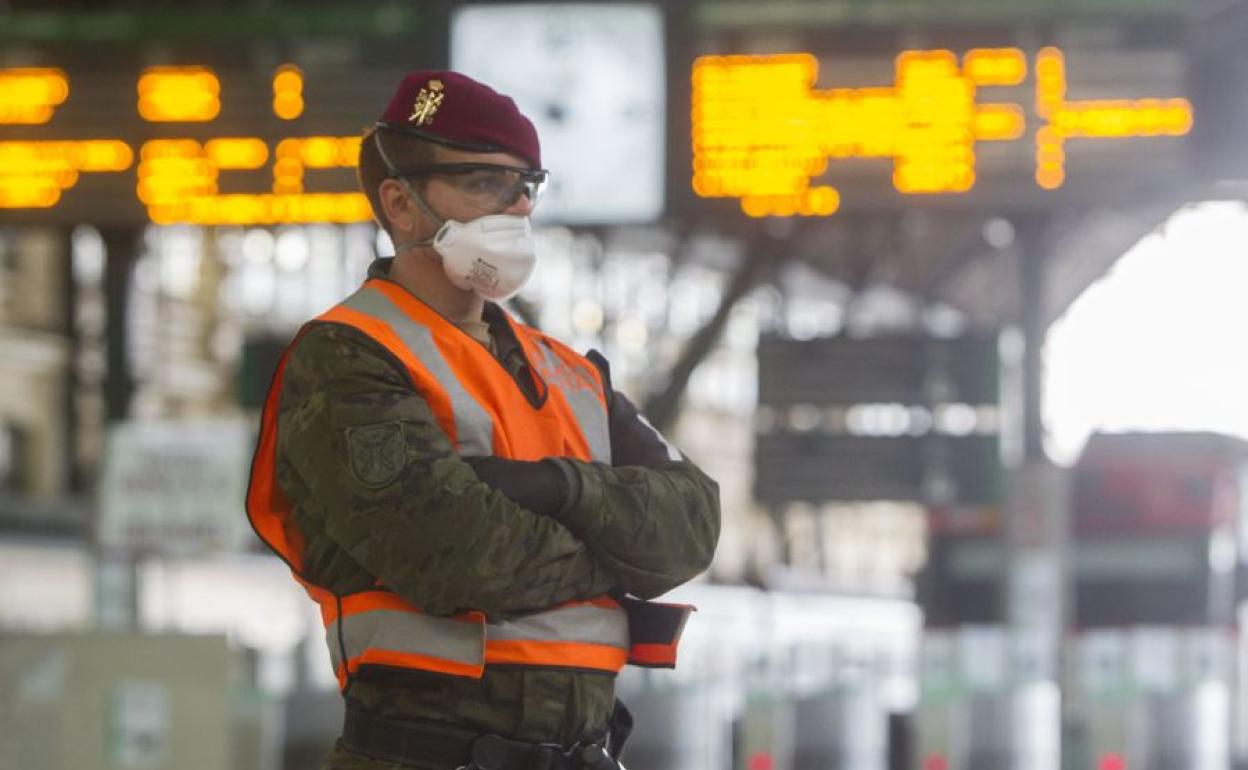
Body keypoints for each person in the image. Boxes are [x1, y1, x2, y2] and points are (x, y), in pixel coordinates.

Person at [246, 71, 721, 770]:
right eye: (483, 183)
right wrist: (617, 558)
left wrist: (561, 490)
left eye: (527, 184)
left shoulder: (572, 372)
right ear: (401, 204)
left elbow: (694, 527)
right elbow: (458, 557)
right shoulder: (348, 355)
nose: (518, 204)